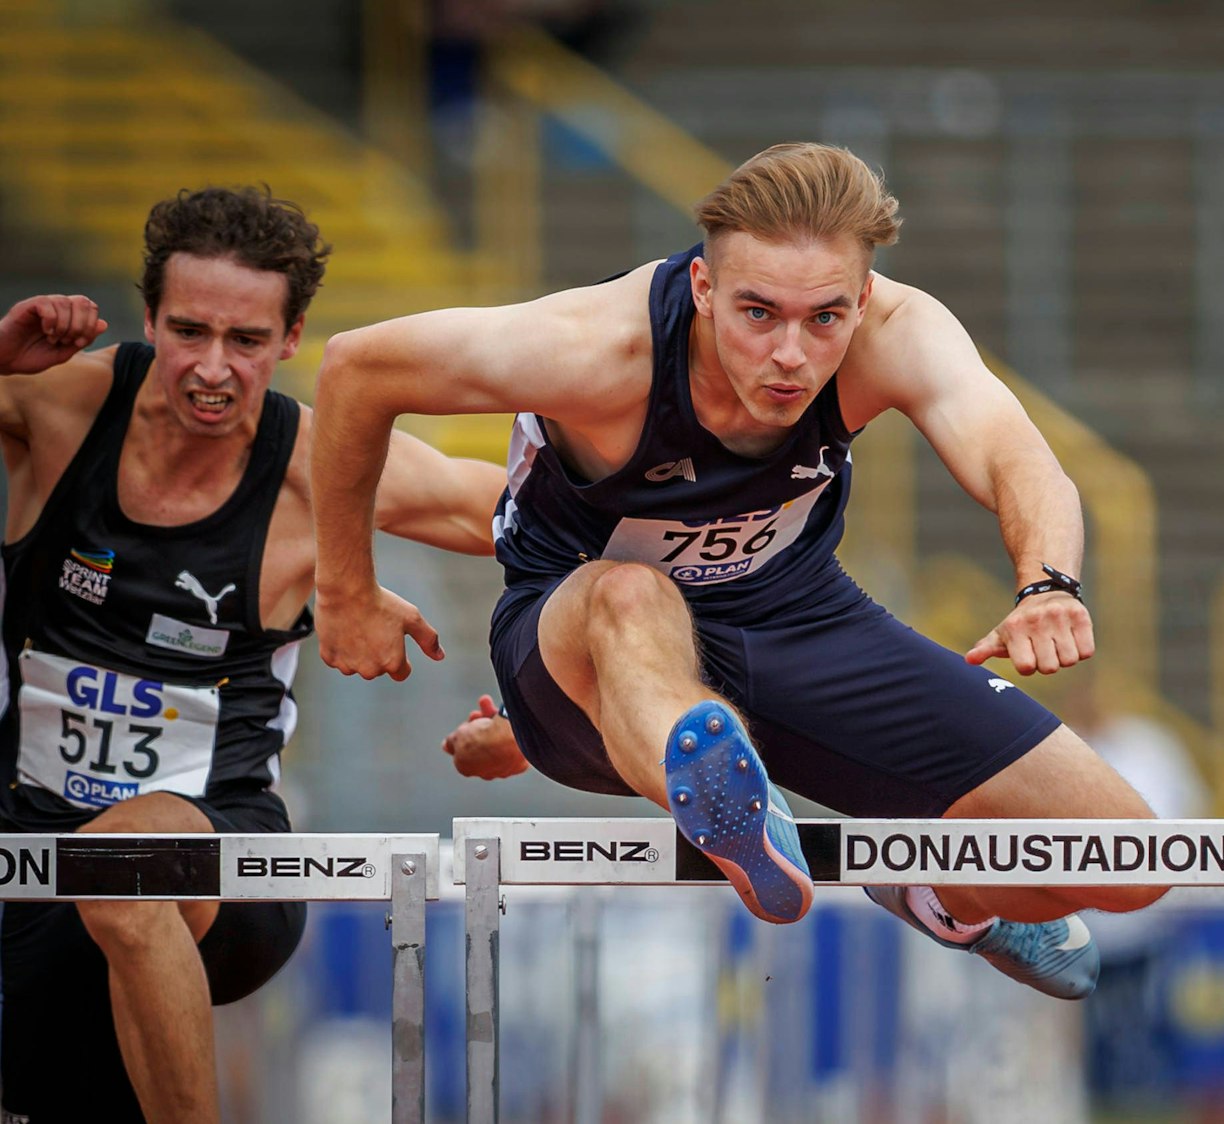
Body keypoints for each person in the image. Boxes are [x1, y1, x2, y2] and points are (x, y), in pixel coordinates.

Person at [312, 142, 1167, 1000]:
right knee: (631, 593)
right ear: (703, 288)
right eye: (758, 314)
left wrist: (1047, 582)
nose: (790, 354)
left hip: (793, 617)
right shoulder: (596, 348)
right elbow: (358, 368)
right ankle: (709, 791)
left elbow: (1017, 456)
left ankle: (942, 895)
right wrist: (345, 590)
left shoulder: (898, 333)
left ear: (862, 301)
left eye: (823, 319)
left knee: (1134, 860)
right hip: (583, 635)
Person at [0, 186, 507, 1123]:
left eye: (246, 342)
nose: (211, 370)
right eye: (188, 332)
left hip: (220, 857)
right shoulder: (60, 406)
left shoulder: (317, 464)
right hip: (26, 846)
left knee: (121, 859)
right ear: (147, 316)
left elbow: (518, 512)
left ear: (292, 339)